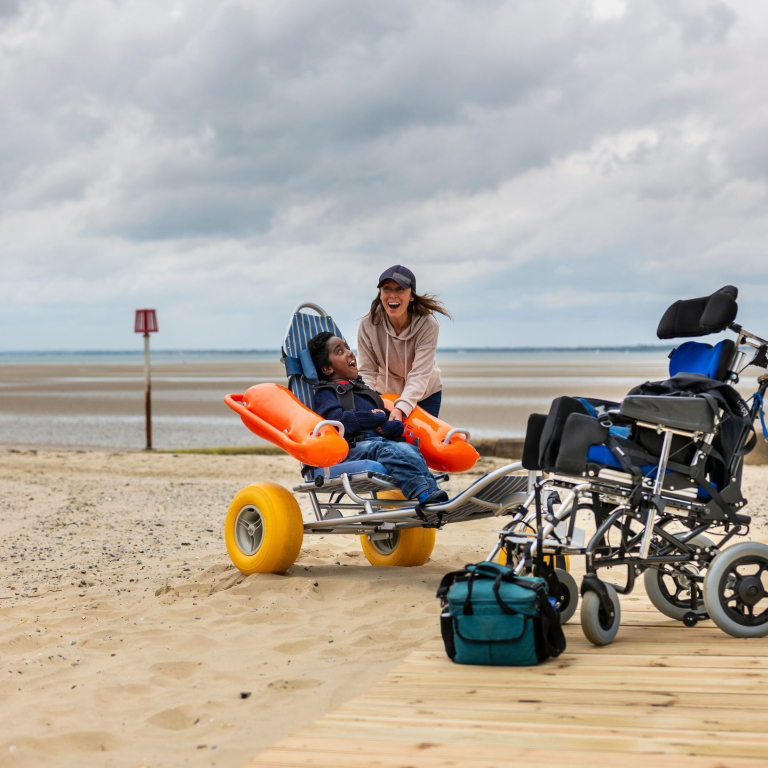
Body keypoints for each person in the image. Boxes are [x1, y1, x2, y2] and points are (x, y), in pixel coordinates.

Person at [308, 331, 449, 505]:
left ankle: (431, 490)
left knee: (408, 448)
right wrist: (370, 418)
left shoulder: (364, 392)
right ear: (328, 368)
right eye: (340, 351)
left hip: (377, 443)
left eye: (347, 347)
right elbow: (337, 421)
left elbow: (389, 420)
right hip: (350, 448)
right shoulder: (326, 394)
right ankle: (422, 491)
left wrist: (390, 426)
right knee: (388, 450)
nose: (349, 352)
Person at [357, 265, 450, 424]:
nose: (392, 295)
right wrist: (365, 400)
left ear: (411, 296)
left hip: (425, 393)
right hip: (385, 390)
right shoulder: (368, 324)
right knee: (387, 441)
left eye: (400, 289)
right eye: (387, 289)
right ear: (380, 294)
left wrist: (402, 408)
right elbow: (367, 370)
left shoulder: (428, 325)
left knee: (421, 446)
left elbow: (419, 374)